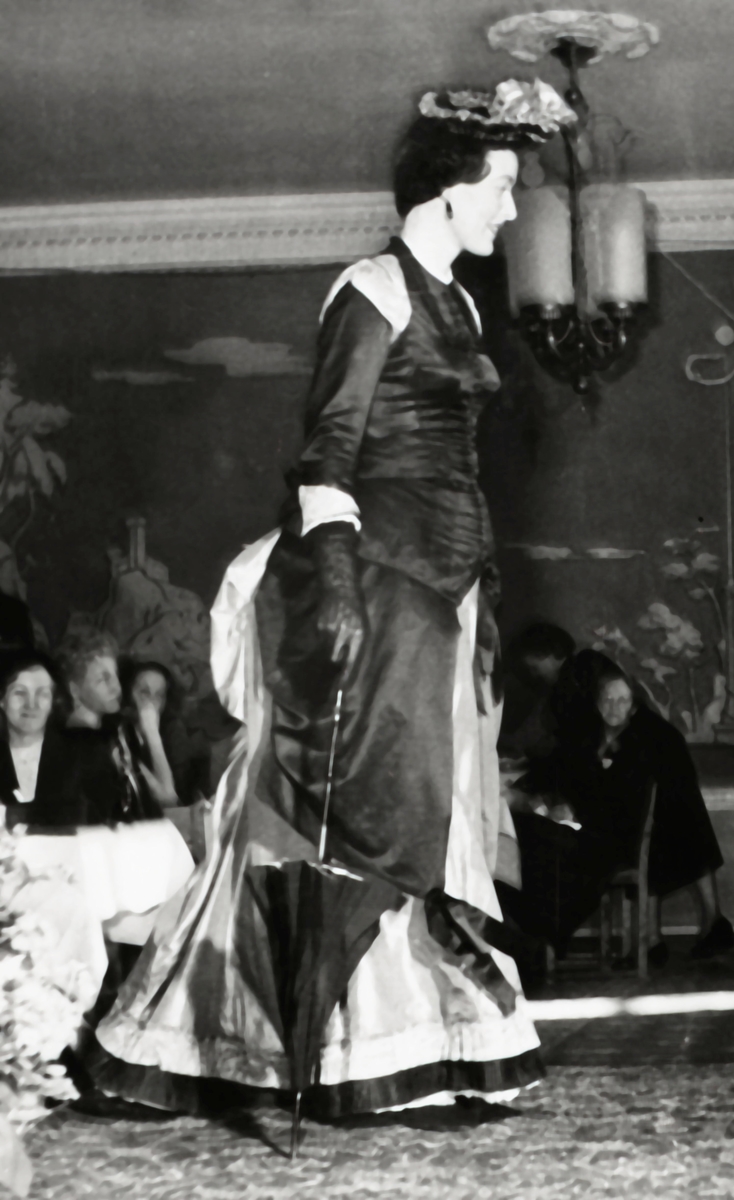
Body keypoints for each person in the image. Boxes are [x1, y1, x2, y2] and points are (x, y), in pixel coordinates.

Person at [89, 78, 576, 1125]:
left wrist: (474, 593)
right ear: (446, 189)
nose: (510, 209)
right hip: (380, 580)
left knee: (428, 807)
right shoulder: (373, 288)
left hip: (444, 591)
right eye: (499, 187)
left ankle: (427, 1043)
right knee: (369, 809)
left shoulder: (456, 303)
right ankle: (313, 1045)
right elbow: (328, 453)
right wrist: (342, 587)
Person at [501, 651, 733, 964]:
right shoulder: (637, 725)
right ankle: (664, 936)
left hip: (632, 828)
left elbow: (582, 775)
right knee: (652, 833)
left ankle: (647, 940)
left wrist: (540, 790)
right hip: (645, 821)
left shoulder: (628, 729)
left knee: (575, 847)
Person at [57, 632, 165, 825]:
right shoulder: (78, 747)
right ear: (75, 690)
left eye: (115, 675)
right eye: (103, 679)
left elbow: (162, 798)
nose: (116, 687)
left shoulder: (112, 733)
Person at [0, 648, 77, 830]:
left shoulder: (80, 755)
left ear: (54, 702)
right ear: (2, 699)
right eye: (20, 693)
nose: (31, 704)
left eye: (42, 694)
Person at [119, 659, 203, 806]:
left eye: (159, 695)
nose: (151, 702)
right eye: (144, 692)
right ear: (129, 693)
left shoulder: (173, 729)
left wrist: (152, 734)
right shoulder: (119, 732)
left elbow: (174, 798)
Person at [499, 622, 576, 758]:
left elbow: (529, 742)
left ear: (550, 655)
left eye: (534, 668)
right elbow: (525, 736)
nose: (533, 675)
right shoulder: (549, 690)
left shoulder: (572, 689)